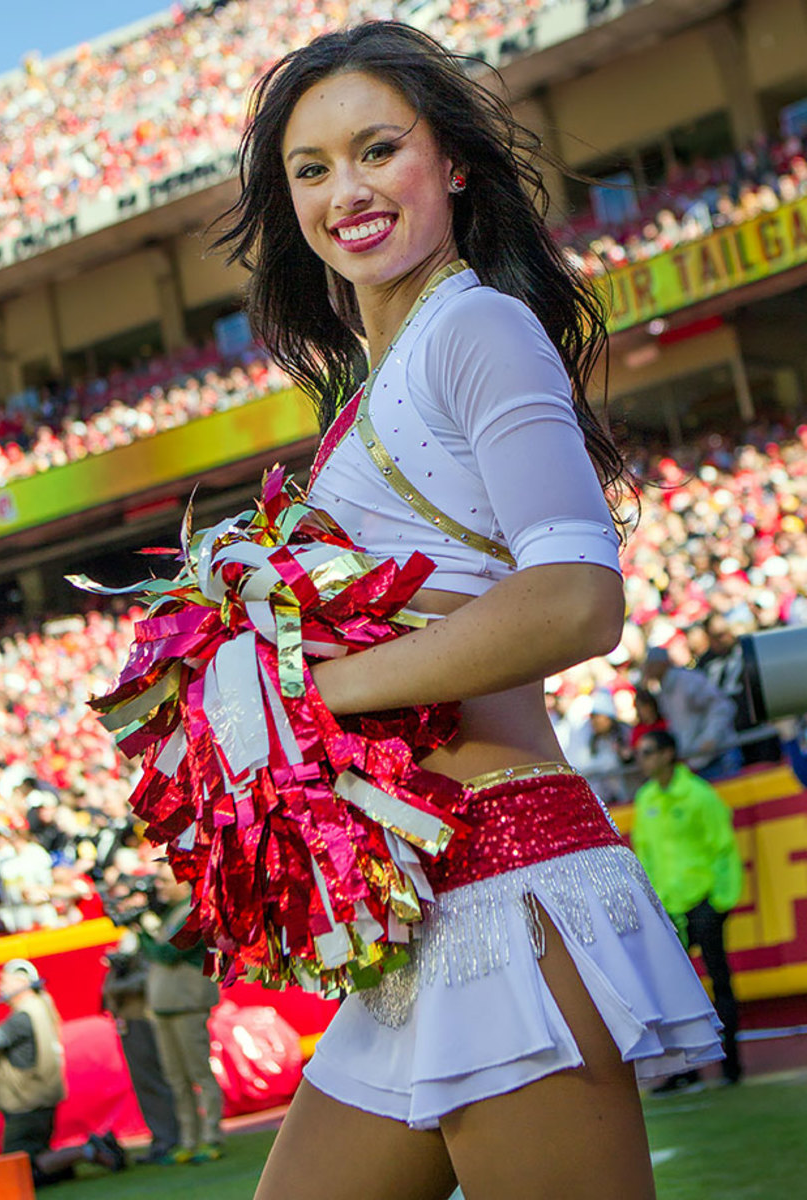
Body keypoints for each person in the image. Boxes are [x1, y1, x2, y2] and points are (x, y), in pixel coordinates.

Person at [214, 22, 723, 1198]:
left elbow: (575, 599)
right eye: (309, 167)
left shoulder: (476, 326)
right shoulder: (366, 389)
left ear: (448, 163)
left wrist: (308, 694)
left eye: (376, 149)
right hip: (412, 912)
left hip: (507, 887)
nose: (345, 190)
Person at [632, 730, 744, 1089]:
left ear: (668, 754)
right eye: (639, 754)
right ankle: (685, 1069)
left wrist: (719, 902)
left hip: (702, 903)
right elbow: (645, 856)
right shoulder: (645, 799)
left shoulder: (698, 795)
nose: (642, 760)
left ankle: (732, 1066)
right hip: (668, 910)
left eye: (648, 752)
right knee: (673, 991)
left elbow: (723, 848)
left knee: (718, 980)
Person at [0, 959, 125, 1185]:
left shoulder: (24, 1016)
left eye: (3, 980)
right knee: (32, 1156)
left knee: (17, 1170)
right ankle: (75, 1159)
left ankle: (90, 1151)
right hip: (38, 1096)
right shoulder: (42, 1004)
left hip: (27, 1101)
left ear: (21, 981)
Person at [140, 864, 223, 1165]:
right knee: (177, 1079)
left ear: (183, 883)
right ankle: (189, 1139)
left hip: (188, 1005)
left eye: (164, 881)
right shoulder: (168, 916)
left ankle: (211, 1136)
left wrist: (143, 931)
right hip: (163, 1007)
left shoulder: (195, 913)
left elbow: (169, 953)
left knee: (199, 1072)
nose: (159, 887)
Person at [101, 929, 181, 1164]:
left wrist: (120, 980)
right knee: (146, 1084)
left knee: (156, 1081)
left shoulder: (147, 944)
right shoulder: (131, 947)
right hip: (132, 1022)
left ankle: (171, 1139)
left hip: (144, 1021)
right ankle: (163, 1138)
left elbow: (147, 978)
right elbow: (108, 989)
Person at [643, 645, 741, 781]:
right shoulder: (663, 691)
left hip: (718, 757)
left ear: (662, 664)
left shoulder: (688, 681)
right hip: (697, 761)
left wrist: (710, 738)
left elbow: (722, 707)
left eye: (651, 665)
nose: (648, 670)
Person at [697, 614, 781, 765]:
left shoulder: (748, 650)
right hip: (729, 734)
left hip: (758, 726)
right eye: (719, 635)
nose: (725, 638)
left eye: (727, 632)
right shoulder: (704, 664)